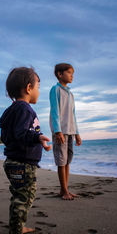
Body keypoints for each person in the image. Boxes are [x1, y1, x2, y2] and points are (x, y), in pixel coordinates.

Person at [0, 67, 51, 234]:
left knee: (19, 195)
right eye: (38, 86)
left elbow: (10, 135)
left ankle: (18, 227)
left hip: (13, 162)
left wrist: (39, 139)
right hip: (22, 163)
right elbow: (23, 133)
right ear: (29, 88)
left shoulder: (13, 110)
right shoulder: (24, 109)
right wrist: (36, 138)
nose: (39, 91)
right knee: (24, 196)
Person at [49, 63, 82, 200]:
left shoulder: (71, 94)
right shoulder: (55, 90)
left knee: (67, 161)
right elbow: (55, 111)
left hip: (70, 131)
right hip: (60, 131)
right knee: (61, 161)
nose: (72, 75)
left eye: (72, 73)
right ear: (59, 74)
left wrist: (77, 133)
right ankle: (63, 190)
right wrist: (58, 131)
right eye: (69, 72)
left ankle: (65, 189)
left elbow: (73, 115)